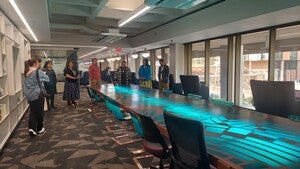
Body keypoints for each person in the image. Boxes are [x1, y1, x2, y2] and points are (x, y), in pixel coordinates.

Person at [23, 58, 49, 136]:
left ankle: (32, 128)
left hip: (29, 95)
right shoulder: (38, 72)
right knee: (40, 112)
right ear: (35, 64)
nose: (39, 65)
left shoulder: (26, 72)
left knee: (33, 111)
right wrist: (43, 75)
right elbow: (47, 79)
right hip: (37, 95)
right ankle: (40, 128)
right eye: (38, 63)